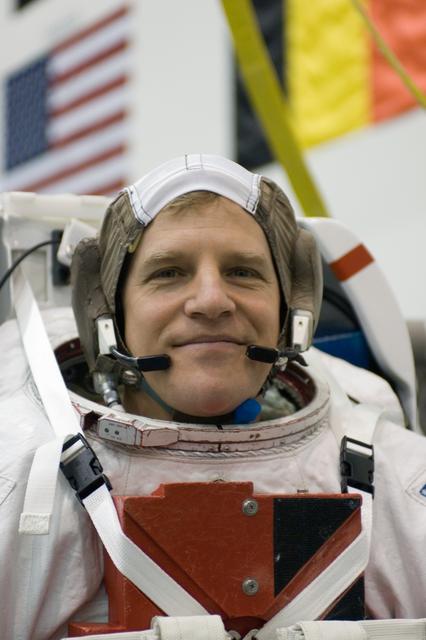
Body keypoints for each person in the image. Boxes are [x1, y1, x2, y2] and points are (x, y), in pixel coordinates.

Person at [0, 154, 425, 640]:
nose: (211, 301)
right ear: (108, 317)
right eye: (168, 273)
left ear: (292, 310)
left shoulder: (394, 476)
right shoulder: (22, 480)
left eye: (243, 272)